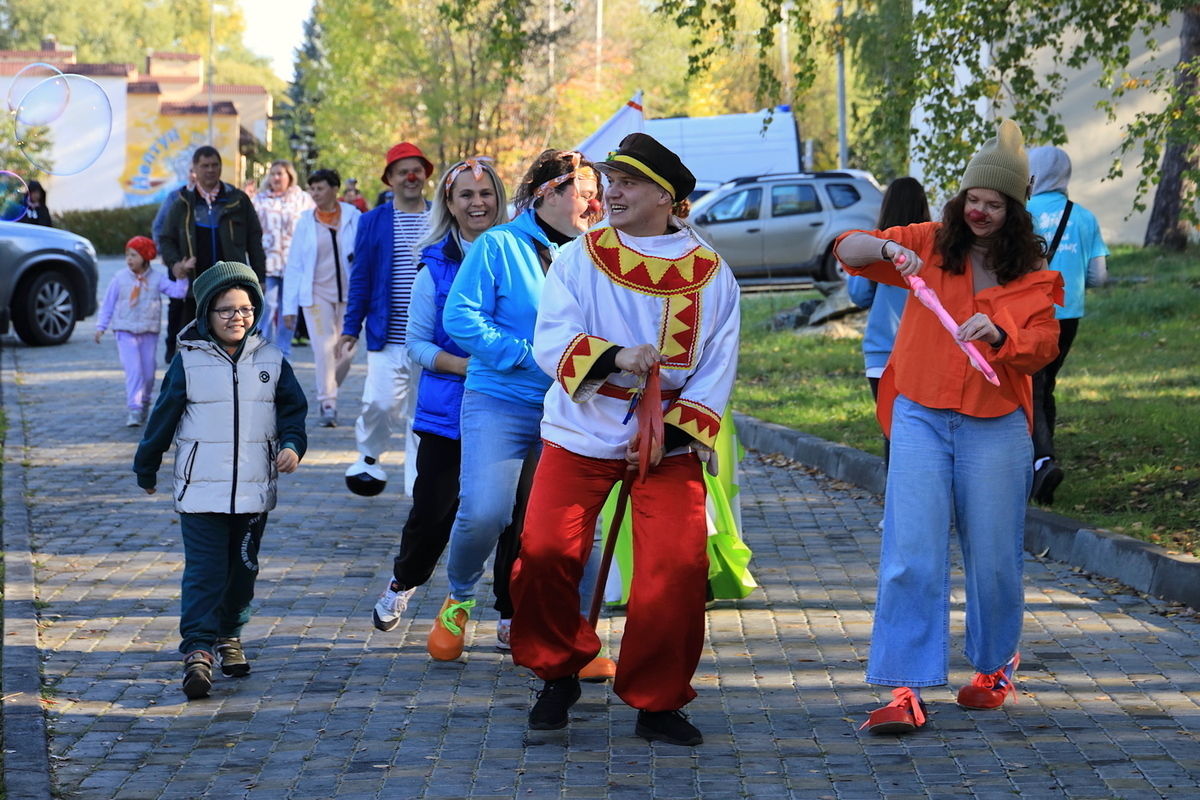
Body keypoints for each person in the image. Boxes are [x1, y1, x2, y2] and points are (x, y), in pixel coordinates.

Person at [509, 133, 741, 748]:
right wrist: (616, 358)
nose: (612, 191)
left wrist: (676, 430)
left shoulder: (714, 276)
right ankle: (558, 671)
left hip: (669, 443)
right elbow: (551, 338)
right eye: (610, 179)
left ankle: (657, 699)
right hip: (578, 429)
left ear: (667, 197)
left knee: (675, 569)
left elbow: (717, 366)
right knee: (543, 554)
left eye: (629, 182)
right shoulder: (579, 259)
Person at [833, 119, 1062, 735]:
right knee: (911, 553)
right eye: (974, 200)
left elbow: (1043, 341)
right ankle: (904, 688)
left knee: (993, 558)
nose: (981, 211)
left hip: (995, 425)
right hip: (920, 417)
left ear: (1014, 211)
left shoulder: (1030, 269)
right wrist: (884, 249)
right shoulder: (929, 242)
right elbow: (846, 247)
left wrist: (1002, 335)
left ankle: (993, 668)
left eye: (995, 203)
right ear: (960, 201)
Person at [429, 150, 601, 662]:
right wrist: (531, 357)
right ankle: (459, 596)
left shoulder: (599, 252)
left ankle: (578, 637)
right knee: (486, 513)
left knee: (573, 527)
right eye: (585, 193)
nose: (596, 203)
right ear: (549, 193)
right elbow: (460, 318)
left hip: (573, 408)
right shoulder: (500, 244)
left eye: (597, 194)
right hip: (500, 401)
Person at [133, 261, 308, 700]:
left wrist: (292, 445)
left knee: (242, 573)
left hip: (253, 491)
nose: (238, 317)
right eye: (226, 310)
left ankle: (230, 635)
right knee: (206, 572)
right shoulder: (188, 362)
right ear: (207, 313)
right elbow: (163, 418)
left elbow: (292, 411)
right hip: (201, 493)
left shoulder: (271, 358)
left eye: (246, 308)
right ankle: (197, 649)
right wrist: (147, 465)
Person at [371, 156, 521, 633]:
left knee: (514, 514)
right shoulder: (433, 266)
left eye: (486, 193)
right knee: (434, 510)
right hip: (449, 410)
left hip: (516, 407)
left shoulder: (527, 254)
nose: (478, 203)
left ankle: (510, 611)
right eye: (466, 195)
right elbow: (415, 343)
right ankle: (404, 581)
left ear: (499, 199)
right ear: (450, 205)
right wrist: (462, 365)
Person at [338, 142, 434, 496]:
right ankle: (369, 455)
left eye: (417, 170)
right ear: (390, 179)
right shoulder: (372, 221)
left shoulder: (442, 216)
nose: (411, 177)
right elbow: (360, 276)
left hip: (431, 339)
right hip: (387, 335)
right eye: (402, 172)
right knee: (379, 402)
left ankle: (418, 488)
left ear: (425, 175)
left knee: (422, 416)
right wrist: (351, 329)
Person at [1025, 146, 1109, 505]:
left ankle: (1041, 464)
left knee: (1031, 388)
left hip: (1030, 313)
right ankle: (1044, 463)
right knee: (1046, 386)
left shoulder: (1021, 212)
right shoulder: (1085, 217)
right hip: (1068, 314)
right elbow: (1099, 276)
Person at [846, 177, 932, 465]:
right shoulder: (933, 247)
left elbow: (859, 295)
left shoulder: (878, 246)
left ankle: (894, 503)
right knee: (924, 434)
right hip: (923, 354)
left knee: (891, 433)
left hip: (881, 353)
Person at [160, 146, 266, 364]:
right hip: (193, 288)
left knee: (232, 341)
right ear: (195, 169)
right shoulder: (182, 202)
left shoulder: (238, 200)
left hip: (232, 285)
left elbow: (255, 240)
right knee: (189, 343)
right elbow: (166, 238)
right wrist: (175, 264)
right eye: (205, 166)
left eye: (214, 165)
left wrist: (260, 277)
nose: (210, 170)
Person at [282, 168, 361, 428]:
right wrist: (289, 307)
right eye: (312, 189)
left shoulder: (354, 217)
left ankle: (329, 387)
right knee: (324, 351)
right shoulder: (305, 221)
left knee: (347, 352)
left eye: (320, 188)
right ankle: (328, 403)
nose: (315, 193)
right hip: (316, 294)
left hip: (350, 294)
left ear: (334, 189)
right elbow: (294, 265)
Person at [94, 236, 190, 426]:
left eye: (134, 255)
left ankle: (144, 402)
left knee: (148, 373)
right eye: (127, 255)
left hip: (148, 332)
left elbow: (178, 292)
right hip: (125, 332)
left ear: (146, 257)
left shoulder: (156, 279)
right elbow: (108, 304)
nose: (129, 259)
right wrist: (101, 326)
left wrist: (182, 277)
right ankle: (134, 409)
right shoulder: (119, 278)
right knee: (134, 370)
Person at [254, 160, 315, 358]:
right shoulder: (260, 199)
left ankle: (283, 352)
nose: (276, 178)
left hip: (293, 263)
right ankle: (261, 350)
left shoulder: (302, 199)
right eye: (272, 174)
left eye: (280, 174)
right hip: (268, 263)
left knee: (288, 309)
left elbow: (313, 225)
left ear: (290, 176)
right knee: (266, 307)